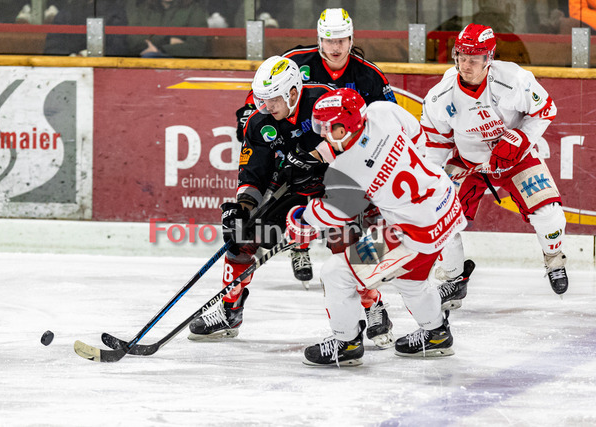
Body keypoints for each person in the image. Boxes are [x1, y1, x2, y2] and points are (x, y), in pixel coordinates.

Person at [187, 56, 394, 349]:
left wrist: (315, 159)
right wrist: (242, 209)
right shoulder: (259, 123)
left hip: (337, 184)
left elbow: (356, 143)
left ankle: (373, 305)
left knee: (348, 245)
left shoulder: (325, 100)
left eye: (273, 99)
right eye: (262, 99)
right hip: (291, 189)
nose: (266, 106)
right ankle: (229, 311)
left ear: (293, 92)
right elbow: (253, 174)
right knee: (242, 237)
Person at [284, 87, 467, 365]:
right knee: (411, 279)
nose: (323, 134)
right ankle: (436, 335)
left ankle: (346, 343)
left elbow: (332, 214)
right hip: (446, 206)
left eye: (328, 128)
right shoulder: (382, 111)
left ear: (346, 127)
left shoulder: (347, 167)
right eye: (320, 127)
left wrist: (300, 219)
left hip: (413, 233)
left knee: (336, 273)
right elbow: (417, 137)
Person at [235, 7, 397, 286]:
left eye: (342, 40)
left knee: (368, 210)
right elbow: (263, 89)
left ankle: (371, 266)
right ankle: (300, 247)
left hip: (344, 154)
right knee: (289, 196)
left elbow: (387, 118)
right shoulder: (295, 61)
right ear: (319, 39)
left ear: (351, 39)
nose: (336, 48)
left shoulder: (369, 75)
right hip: (296, 149)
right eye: (329, 40)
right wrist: (250, 114)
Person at [420, 23, 568, 303]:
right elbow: (436, 142)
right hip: (469, 163)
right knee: (438, 215)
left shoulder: (513, 79)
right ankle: (454, 278)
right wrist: (432, 180)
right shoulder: (440, 95)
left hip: (516, 159)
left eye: (474, 59)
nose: (466, 65)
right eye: (462, 57)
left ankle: (553, 258)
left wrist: (521, 137)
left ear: (489, 58)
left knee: (550, 214)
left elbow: (546, 109)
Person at [124, 0, 208, 58]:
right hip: (143, 61)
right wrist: (167, 41)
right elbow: (133, 41)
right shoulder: (144, 9)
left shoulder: (195, 10)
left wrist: (161, 49)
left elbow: (197, 47)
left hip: (179, 64)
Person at [44, 0, 128, 57]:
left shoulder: (115, 12)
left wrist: (84, 55)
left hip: (104, 70)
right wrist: (72, 58)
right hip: (68, 70)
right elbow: (52, 47)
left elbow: (118, 48)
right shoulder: (66, 12)